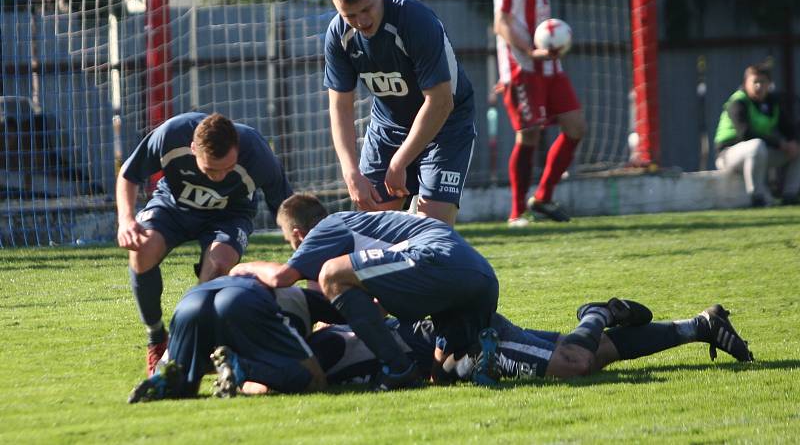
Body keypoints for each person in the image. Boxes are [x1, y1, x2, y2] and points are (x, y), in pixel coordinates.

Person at [228, 192, 500, 391]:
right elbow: (375, 311)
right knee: (442, 375)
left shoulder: (329, 226)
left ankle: (398, 370)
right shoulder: (367, 234)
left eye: (292, 244)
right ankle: (477, 358)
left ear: (299, 235)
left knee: (331, 273)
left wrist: (245, 267)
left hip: (436, 259)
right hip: (480, 275)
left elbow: (282, 277)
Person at [116, 112, 292, 376]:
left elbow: (287, 208)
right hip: (173, 207)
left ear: (237, 150)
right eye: (211, 169)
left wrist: (308, 257)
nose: (220, 177)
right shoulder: (169, 135)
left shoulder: (257, 153)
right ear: (193, 148)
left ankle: (191, 345)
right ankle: (156, 338)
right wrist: (127, 220)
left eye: (228, 169)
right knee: (141, 251)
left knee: (218, 265)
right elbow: (129, 175)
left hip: (229, 217)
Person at [324, 0, 476, 227]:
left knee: (432, 233)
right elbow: (340, 108)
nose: (361, 21)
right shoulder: (339, 34)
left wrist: (400, 161)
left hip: (446, 125)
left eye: (366, 9)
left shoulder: (415, 21)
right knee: (372, 231)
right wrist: (350, 172)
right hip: (389, 128)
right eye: (350, 15)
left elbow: (441, 102)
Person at [308, 300, 753, 386]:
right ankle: (699, 326)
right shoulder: (324, 338)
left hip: (475, 347)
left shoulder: (322, 351)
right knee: (596, 355)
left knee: (575, 362)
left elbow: (303, 377)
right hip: (467, 339)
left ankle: (598, 312)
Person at [493, 0, 587, 226]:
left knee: (575, 126)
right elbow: (502, 22)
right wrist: (528, 53)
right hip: (523, 67)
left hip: (549, 66)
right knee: (529, 134)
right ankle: (516, 212)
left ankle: (544, 197)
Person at [127, 276, 342, 402]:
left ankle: (165, 380)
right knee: (313, 380)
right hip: (244, 299)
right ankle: (243, 368)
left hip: (192, 299)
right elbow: (349, 311)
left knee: (182, 386)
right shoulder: (300, 296)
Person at [714, 64, 800, 206]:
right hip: (728, 155)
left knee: (797, 148)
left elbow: (789, 129)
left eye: (763, 82)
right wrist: (780, 144)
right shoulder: (738, 102)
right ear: (745, 83)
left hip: (759, 155)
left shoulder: (772, 103)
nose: (759, 86)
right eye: (755, 82)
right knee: (756, 145)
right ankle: (756, 197)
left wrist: (793, 142)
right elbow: (745, 133)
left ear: (769, 84)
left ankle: (790, 195)